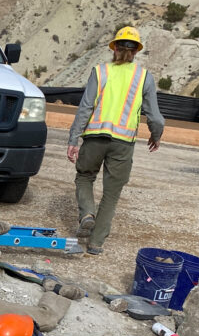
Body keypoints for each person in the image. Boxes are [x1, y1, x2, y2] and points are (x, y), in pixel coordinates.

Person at [67, 26, 165, 255]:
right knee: (111, 194)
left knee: (84, 177)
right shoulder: (143, 77)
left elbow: (84, 108)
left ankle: (87, 214)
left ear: (114, 48)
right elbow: (156, 117)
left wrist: (73, 139)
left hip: (94, 138)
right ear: (135, 52)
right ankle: (96, 243)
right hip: (123, 144)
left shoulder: (100, 72)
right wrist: (155, 136)